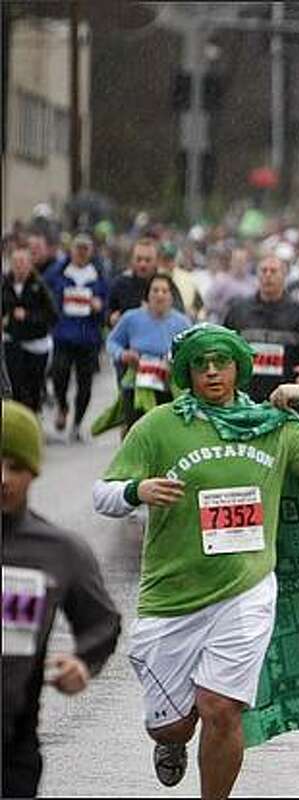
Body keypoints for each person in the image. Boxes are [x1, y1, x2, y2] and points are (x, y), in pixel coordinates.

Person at [91, 324, 299, 799]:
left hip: (246, 591)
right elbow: (102, 494)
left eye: (222, 362)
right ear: (186, 372)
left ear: (239, 368)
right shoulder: (159, 427)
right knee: (171, 726)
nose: (212, 372)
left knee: (220, 707)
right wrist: (137, 490)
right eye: (200, 364)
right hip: (172, 595)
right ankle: (172, 741)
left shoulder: (269, 427)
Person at [3, 399, 122, 797]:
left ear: (34, 472)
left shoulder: (59, 551)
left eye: (15, 467)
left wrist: (81, 662)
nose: (2, 479)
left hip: (12, 745)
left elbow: (102, 622)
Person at [223, 255, 299, 403]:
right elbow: (224, 347)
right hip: (245, 399)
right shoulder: (238, 311)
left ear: (284, 276)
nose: (268, 275)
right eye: (263, 271)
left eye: (273, 271)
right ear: (257, 275)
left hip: (287, 399)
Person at [105, 274, 192, 432]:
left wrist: (177, 360)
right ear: (147, 295)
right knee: (137, 432)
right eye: (155, 290)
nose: (160, 295)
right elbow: (112, 342)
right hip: (136, 383)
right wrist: (123, 354)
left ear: (171, 297)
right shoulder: (131, 318)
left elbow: (192, 350)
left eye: (165, 291)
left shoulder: (182, 323)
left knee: (164, 433)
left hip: (167, 386)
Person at [43, 235, 109, 441]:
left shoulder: (97, 276)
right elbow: (45, 287)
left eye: (85, 249)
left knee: (85, 384)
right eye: (77, 248)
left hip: (88, 339)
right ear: (71, 250)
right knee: (59, 374)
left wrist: (99, 308)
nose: (81, 253)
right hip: (63, 336)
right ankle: (62, 406)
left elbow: (108, 306)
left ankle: (77, 423)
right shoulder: (61, 272)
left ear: (90, 252)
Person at [2, 247, 59, 413]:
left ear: (29, 265)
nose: (18, 266)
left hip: (36, 344)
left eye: (22, 262)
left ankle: (33, 417)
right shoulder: (5, 284)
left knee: (34, 387)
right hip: (12, 341)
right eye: (15, 262)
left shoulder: (39, 285)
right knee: (15, 386)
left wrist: (28, 315)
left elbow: (53, 316)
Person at [108, 237, 183, 327]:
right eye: (139, 259)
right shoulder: (121, 283)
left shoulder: (165, 282)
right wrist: (111, 318)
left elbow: (179, 313)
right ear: (132, 259)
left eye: (148, 260)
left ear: (156, 261)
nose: (142, 264)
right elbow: (107, 311)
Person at [158, 241, 205, 320]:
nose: (168, 262)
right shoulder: (151, 278)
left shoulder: (188, 279)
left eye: (171, 259)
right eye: (164, 259)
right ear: (158, 259)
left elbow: (199, 306)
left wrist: (197, 315)